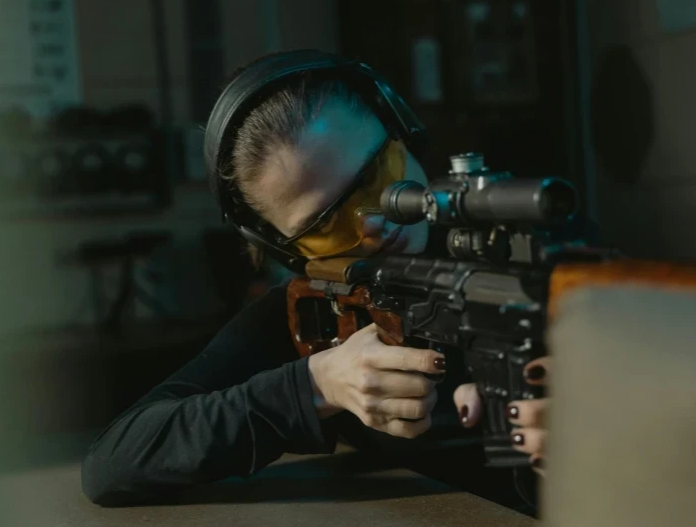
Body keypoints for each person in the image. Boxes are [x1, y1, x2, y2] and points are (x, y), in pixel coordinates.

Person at [80, 50, 550, 508]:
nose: (372, 223)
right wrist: (317, 385)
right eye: (325, 224)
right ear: (286, 248)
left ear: (400, 131)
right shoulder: (316, 311)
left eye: (376, 178)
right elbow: (114, 462)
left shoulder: (534, 255)